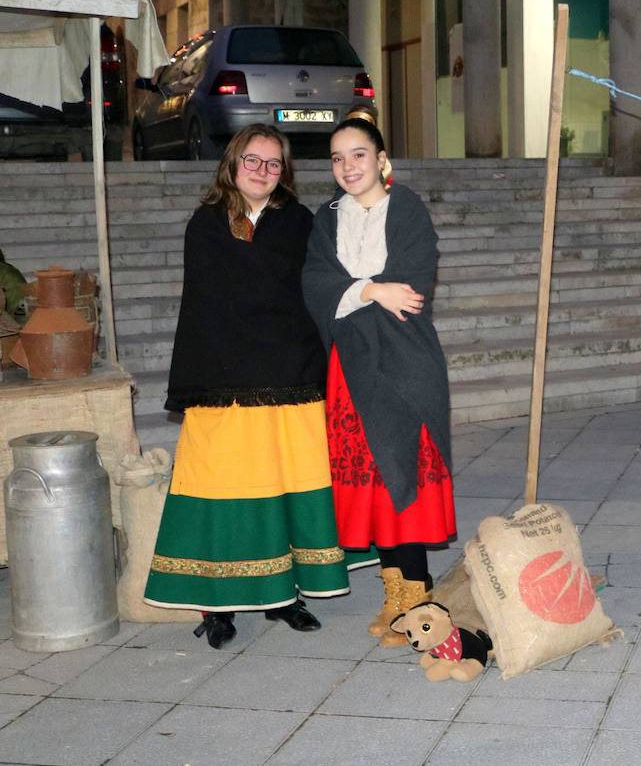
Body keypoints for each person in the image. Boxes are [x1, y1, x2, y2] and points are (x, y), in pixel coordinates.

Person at [145, 124, 348, 648]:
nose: (262, 171)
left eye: (273, 163)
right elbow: (204, 307)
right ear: (232, 164)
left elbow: (316, 291)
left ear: (285, 172)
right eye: (253, 161)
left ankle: (284, 595)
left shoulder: (299, 221)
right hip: (224, 381)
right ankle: (218, 605)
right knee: (222, 489)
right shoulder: (207, 223)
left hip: (289, 375)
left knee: (283, 487)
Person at [302, 117, 456, 647]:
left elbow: (411, 287)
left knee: (402, 468)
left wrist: (359, 294)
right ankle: (395, 591)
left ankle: (419, 592)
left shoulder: (406, 208)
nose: (348, 166)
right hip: (350, 367)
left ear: (381, 159)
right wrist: (371, 291)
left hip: (404, 361)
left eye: (359, 155)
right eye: (338, 158)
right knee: (372, 475)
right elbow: (317, 286)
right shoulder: (326, 220)